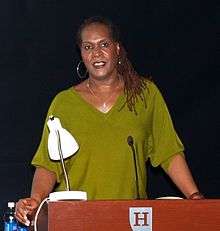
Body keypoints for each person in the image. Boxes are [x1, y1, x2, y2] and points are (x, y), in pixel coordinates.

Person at [15, 16, 204, 225]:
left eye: (104, 44)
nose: (96, 53)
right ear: (81, 54)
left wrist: (195, 198)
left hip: (131, 220)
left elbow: (168, 151)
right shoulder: (64, 103)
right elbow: (48, 165)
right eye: (88, 47)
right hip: (77, 220)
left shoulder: (145, 95)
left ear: (117, 49)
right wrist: (36, 200)